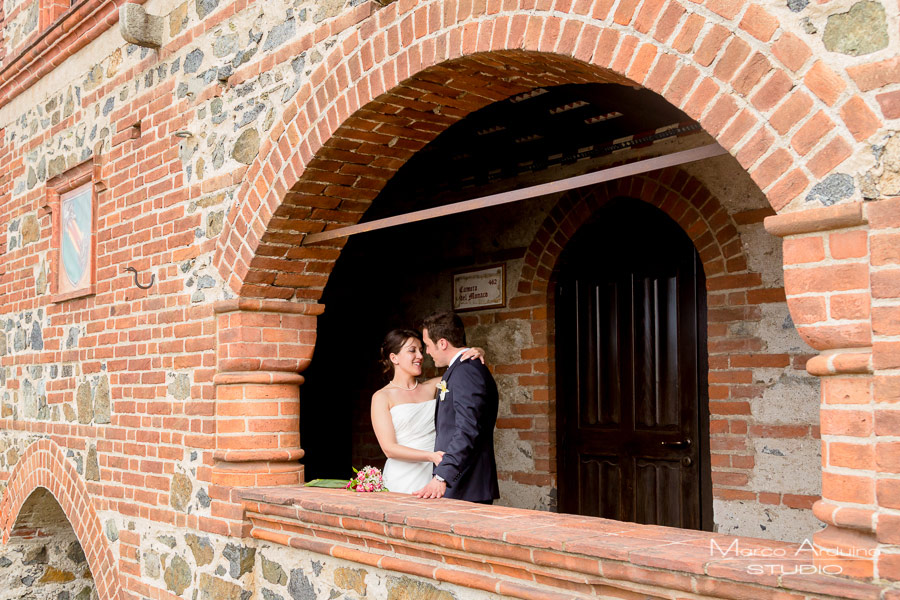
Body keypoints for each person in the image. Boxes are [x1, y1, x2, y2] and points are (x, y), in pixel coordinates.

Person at [370, 328, 484, 494]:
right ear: (394, 358)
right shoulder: (382, 397)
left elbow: (465, 374)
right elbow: (389, 448)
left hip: (434, 473)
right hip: (404, 474)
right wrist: (431, 456)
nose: (420, 356)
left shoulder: (434, 386)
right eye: (412, 351)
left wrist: (477, 352)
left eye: (421, 351)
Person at [415, 311, 500, 504]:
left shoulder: (466, 371)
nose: (427, 352)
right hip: (462, 484)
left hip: (466, 484)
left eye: (428, 345)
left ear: (443, 343)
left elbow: (467, 428)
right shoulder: (462, 369)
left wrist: (442, 476)